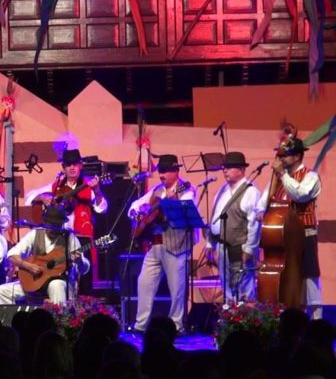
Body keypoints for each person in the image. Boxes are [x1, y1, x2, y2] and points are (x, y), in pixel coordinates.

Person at [129, 154, 197, 333]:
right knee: (144, 283)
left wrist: (168, 205)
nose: (161, 175)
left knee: (177, 290)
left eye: (165, 171)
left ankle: (177, 326)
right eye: (160, 171)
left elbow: (185, 211)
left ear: (175, 172)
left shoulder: (187, 190)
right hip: (155, 245)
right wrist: (137, 213)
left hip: (176, 246)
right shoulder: (157, 190)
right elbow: (135, 205)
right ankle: (140, 325)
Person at [25, 148, 107, 295]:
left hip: (82, 237)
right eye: (68, 165)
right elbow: (29, 197)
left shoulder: (88, 186)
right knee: (60, 278)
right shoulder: (56, 186)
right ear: (63, 167)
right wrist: (42, 197)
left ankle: (85, 306)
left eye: (75, 164)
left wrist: (97, 191)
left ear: (81, 165)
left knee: (84, 277)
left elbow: (102, 208)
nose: (72, 168)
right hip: (60, 239)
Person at [258, 136, 322, 317]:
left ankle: (316, 321)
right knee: (285, 277)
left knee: (309, 279)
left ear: (297, 156)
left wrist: (283, 175)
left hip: (305, 235)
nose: (281, 159)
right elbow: (262, 204)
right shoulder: (277, 180)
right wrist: (261, 211)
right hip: (282, 240)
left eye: (285, 155)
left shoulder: (310, 176)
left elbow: (299, 195)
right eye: (280, 155)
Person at [0, 206, 90, 305]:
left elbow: (83, 270)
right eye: (52, 225)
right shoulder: (35, 234)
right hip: (35, 282)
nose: (54, 229)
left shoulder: (70, 238)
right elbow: (12, 255)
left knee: (56, 285)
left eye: (58, 225)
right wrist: (28, 266)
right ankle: (16, 315)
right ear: (45, 222)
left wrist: (80, 261)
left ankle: (59, 314)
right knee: (2, 291)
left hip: (59, 282)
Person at [208, 152, 261, 303]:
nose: (225, 170)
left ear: (241, 170)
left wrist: (249, 249)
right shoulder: (222, 190)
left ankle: (245, 315)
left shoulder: (250, 192)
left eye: (230, 167)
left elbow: (254, 224)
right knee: (227, 287)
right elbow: (214, 216)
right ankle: (229, 313)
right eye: (224, 167)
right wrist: (210, 243)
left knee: (243, 287)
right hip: (221, 245)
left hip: (239, 246)